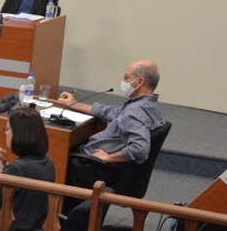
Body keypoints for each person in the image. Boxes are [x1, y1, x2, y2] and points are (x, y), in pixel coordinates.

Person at [56, 59, 162, 189]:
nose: (123, 82)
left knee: (54, 156)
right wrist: (74, 104)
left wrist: (108, 157)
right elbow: (111, 112)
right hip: (101, 165)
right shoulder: (150, 104)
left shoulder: (134, 112)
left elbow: (140, 149)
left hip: (94, 167)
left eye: (126, 78)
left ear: (140, 82)